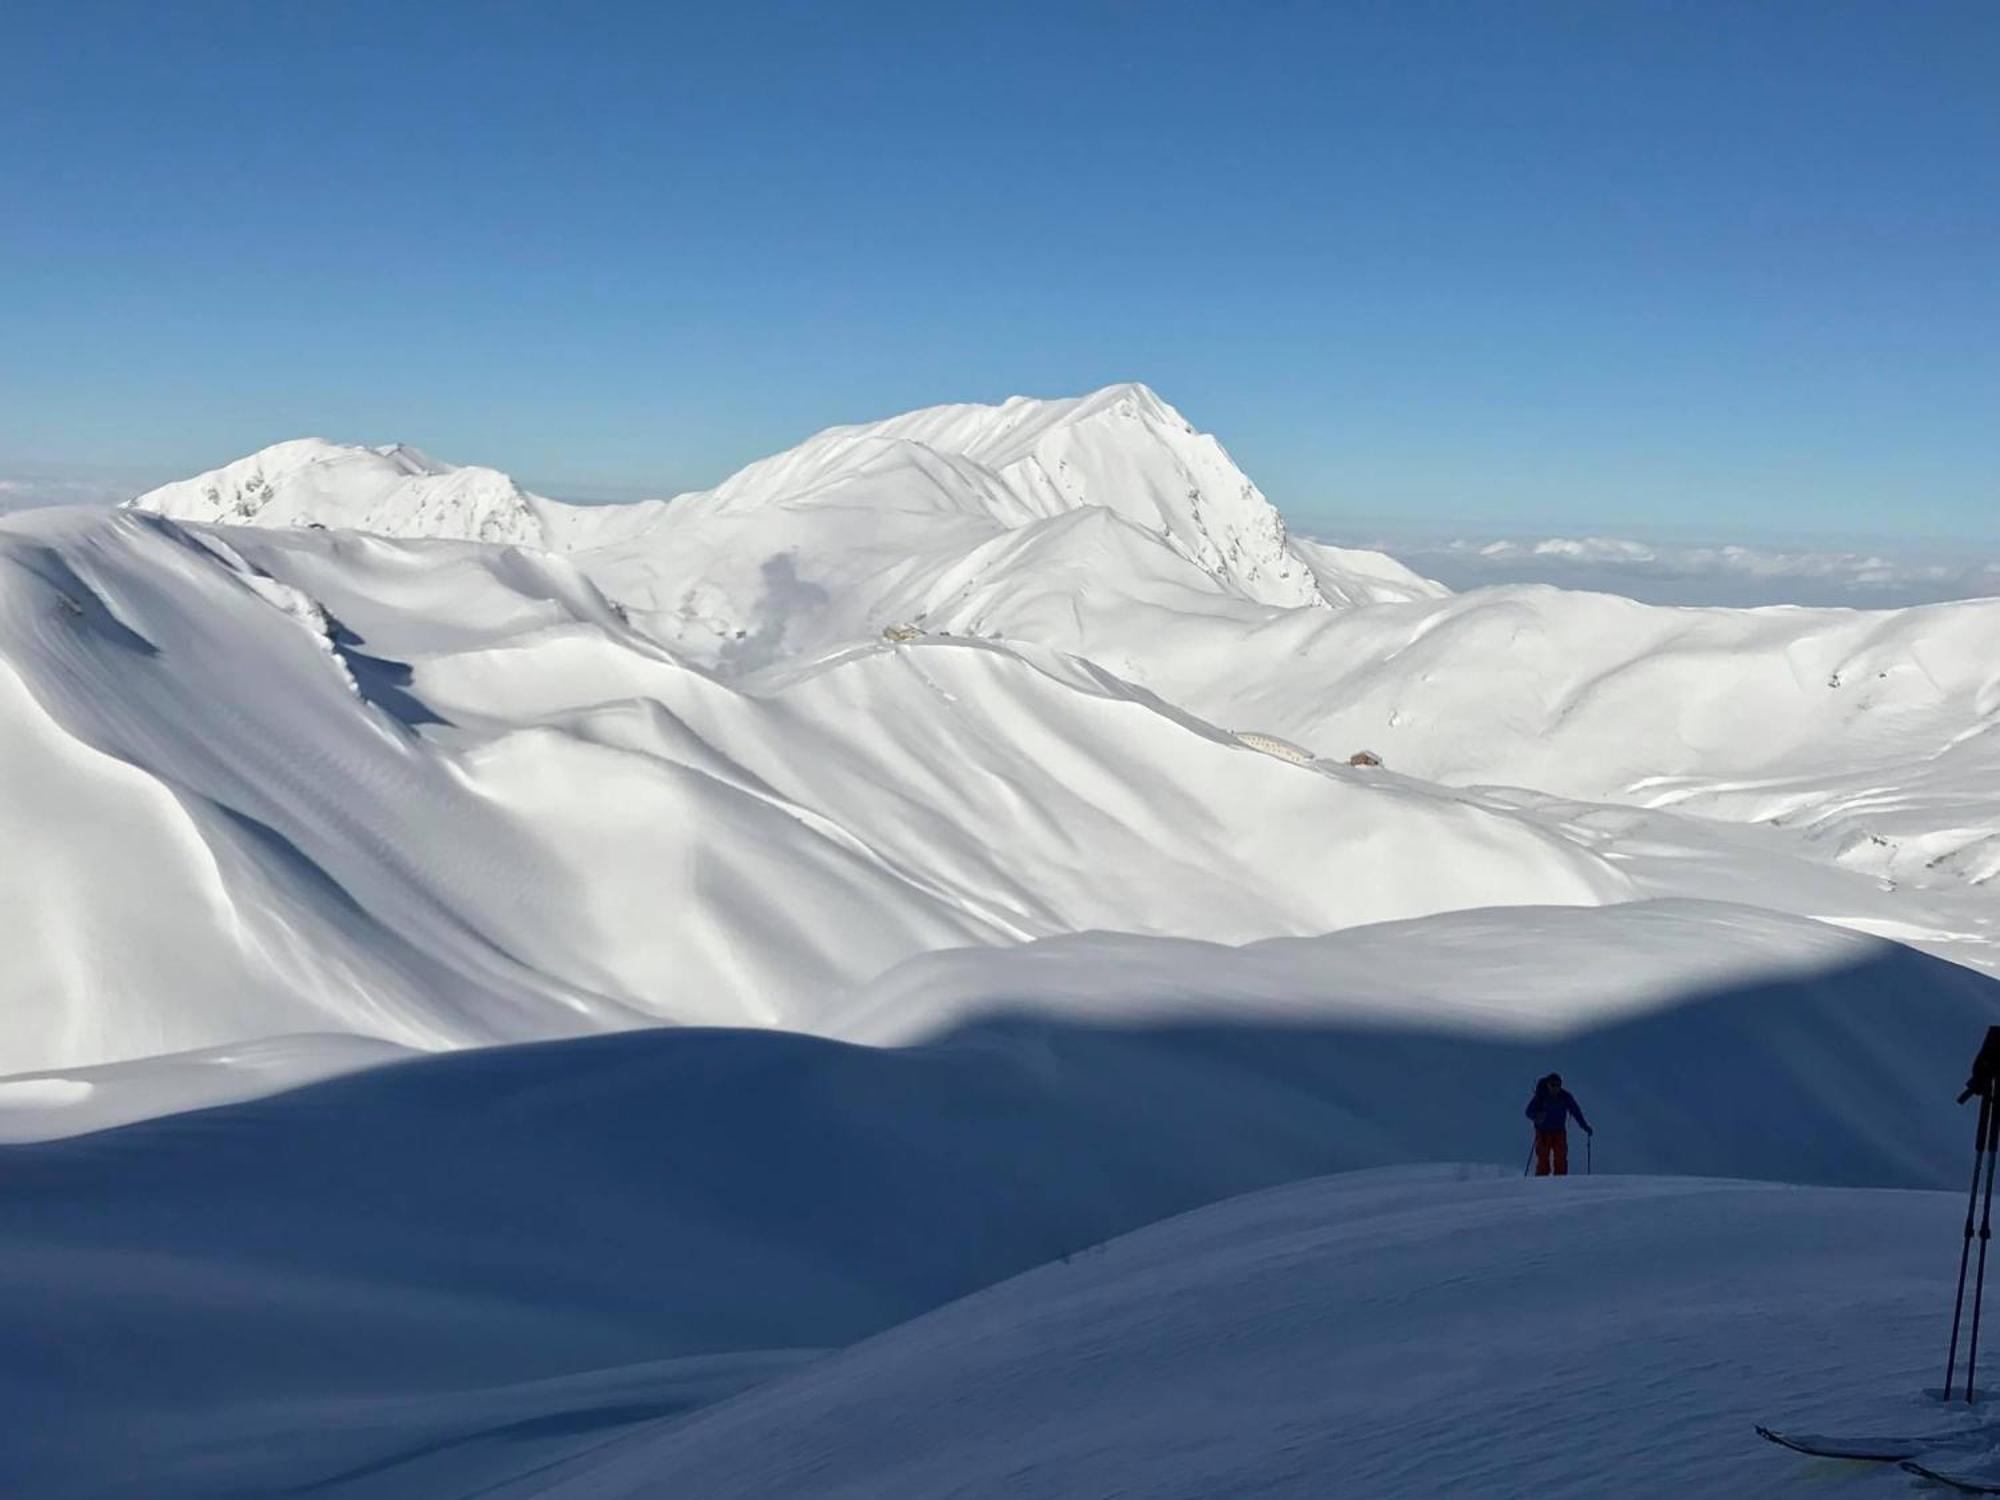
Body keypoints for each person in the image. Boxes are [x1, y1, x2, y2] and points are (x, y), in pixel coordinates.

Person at [1525, 1072, 1592, 1176]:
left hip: (1559, 1132)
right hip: (1543, 1132)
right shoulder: (1541, 1096)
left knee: (1560, 1158)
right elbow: (1528, 1111)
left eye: (1558, 1085)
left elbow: (1576, 1111)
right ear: (1547, 1084)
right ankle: (1541, 1182)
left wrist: (1584, 1126)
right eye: (1553, 1085)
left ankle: (1560, 1183)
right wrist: (1537, 1116)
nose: (1555, 1088)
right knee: (1543, 1159)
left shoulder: (1565, 1096)